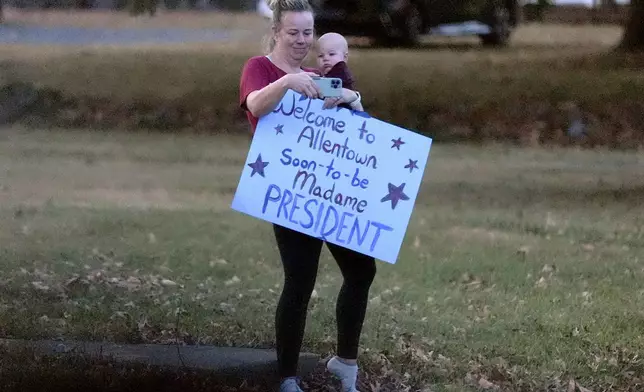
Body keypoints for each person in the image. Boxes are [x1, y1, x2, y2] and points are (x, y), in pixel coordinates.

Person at [238, 1, 376, 391]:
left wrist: (355, 100)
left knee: (361, 269)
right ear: (277, 32)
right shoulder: (259, 68)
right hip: (289, 190)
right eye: (294, 32)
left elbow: (356, 131)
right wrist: (286, 83)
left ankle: (344, 364)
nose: (302, 40)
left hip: (328, 191)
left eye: (307, 32)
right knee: (300, 280)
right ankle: (287, 378)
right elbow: (254, 105)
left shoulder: (322, 74)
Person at [315, 32, 363, 112]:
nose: (325, 58)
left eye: (331, 54)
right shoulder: (320, 75)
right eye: (320, 56)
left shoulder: (341, 70)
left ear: (345, 57)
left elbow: (329, 86)